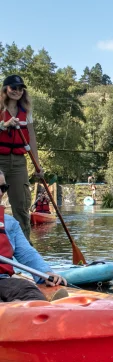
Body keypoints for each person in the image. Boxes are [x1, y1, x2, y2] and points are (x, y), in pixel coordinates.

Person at [0, 169, 67, 301]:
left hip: (3, 281)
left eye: (3, 188)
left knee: (28, 291)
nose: (0, 193)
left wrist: (45, 272)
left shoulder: (10, 223)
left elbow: (27, 253)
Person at [0, 74, 44, 239]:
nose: (17, 91)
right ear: (5, 89)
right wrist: (4, 125)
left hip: (18, 162)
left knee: (21, 206)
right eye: (13, 87)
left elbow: (31, 138)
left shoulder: (26, 111)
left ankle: (24, 245)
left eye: (20, 89)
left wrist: (37, 166)